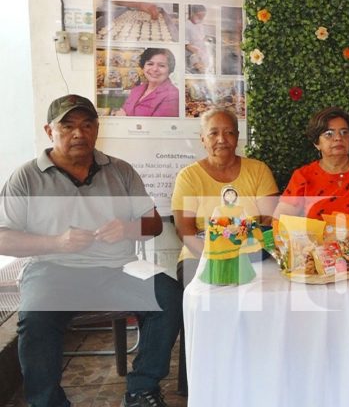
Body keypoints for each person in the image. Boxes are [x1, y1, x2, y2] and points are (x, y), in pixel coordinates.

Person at [0, 95, 182, 407]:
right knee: (36, 319)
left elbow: (153, 223)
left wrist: (126, 229)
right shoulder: (26, 177)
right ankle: (46, 401)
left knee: (167, 295)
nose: (78, 133)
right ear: (49, 131)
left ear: (97, 128)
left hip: (118, 267)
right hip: (52, 270)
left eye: (87, 125)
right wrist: (56, 243)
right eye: (67, 126)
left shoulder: (120, 171)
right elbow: (3, 237)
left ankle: (141, 389)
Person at [171, 106, 279, 286]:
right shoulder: (188, 176)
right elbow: (184, 230)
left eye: (229, 132)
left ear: (237, 137)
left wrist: (244, 253)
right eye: (213, 133)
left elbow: (269, 219)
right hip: (202, 255)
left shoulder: (258, 170)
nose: (221, 139)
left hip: (252, 254)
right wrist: (218, 257)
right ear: (203, 139)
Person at [273, 107, 349, 231]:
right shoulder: (303, 176)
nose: (338, 138)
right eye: (329, 134)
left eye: (344, 132)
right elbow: (281, 220)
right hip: (317, 248)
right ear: (317, 143)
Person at [114, 48, 179, 117]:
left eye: (161, 65)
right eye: (150, 64)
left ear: (170, 69)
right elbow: (122, 111)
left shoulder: (173, 95)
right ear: (143, 67)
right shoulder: (136, 90)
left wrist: (124, 119)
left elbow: (159, 126)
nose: (154, 69)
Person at [185, 5, 211, 74]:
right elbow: (186, 45)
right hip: (192, 55)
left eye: (203, 16)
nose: (201, 18)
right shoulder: (186, 25)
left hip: (202, 54)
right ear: (193, 13)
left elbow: (203, 37)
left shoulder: (200, 24)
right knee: (198, 71)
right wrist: (198, 52)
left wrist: (206, 43)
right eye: (199, 16)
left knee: (207, 69)